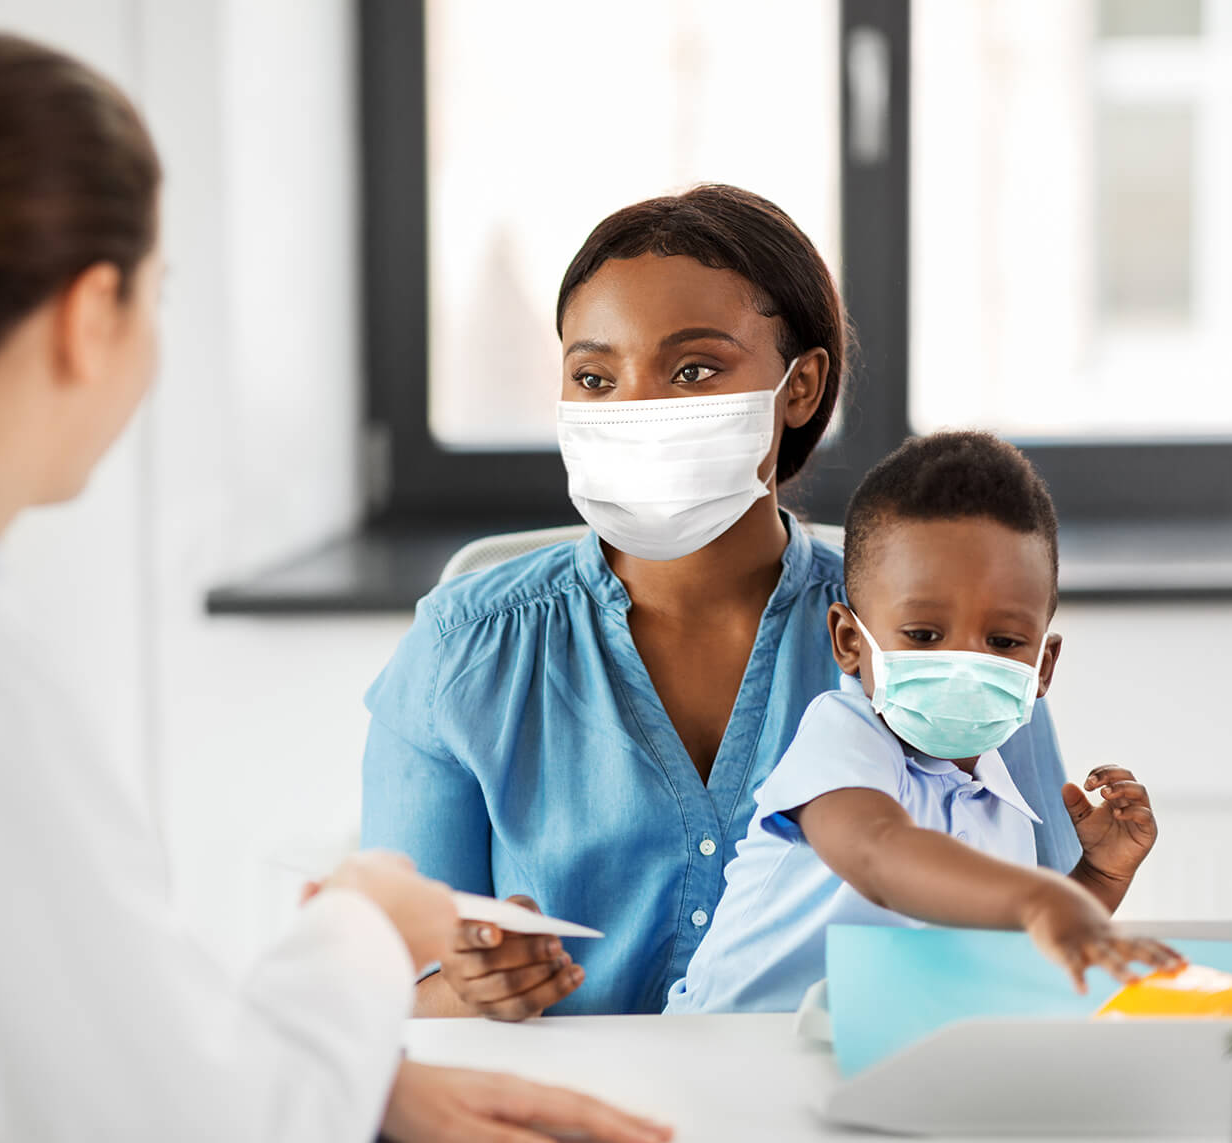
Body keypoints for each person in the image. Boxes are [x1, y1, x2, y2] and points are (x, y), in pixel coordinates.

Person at [0, 34, 669, 1143]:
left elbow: (60, 1043)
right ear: (93, 315)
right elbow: (184, 1123)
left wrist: (366, 1088)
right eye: (159, 294)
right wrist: (369, 923)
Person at [361, 185, 1084, 1020]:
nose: (635, 411)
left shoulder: (947, 635)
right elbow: (387, 994)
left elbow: (1045, 942)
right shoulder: (461, 650)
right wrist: (469, 987)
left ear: (801, 386)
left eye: (694, 369)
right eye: (595, 377)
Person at [665, 432, 1180, 1013]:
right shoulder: (843, 736)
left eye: (1004, 641)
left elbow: (1016, 949)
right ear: (849, 642)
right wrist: (1037, 898)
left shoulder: (1001, 805)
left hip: (860, 1053)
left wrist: (1098, 878)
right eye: (924, 636)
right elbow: (880, 855)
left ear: (1043, 667)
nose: (962, 664)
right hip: (724, 1052)